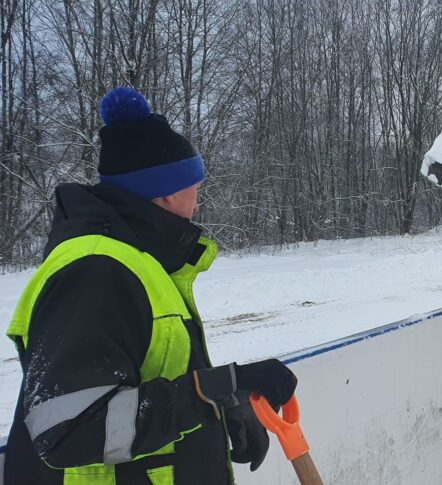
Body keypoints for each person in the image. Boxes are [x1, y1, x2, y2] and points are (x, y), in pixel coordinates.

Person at [5, 87, 298, 484]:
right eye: (196, 187)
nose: (198, 203)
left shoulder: (141, 265)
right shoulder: (96, 270)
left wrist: (221, 404)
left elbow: (150, 384)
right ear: (167, 191)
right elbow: (69, 429)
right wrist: (209, 392)